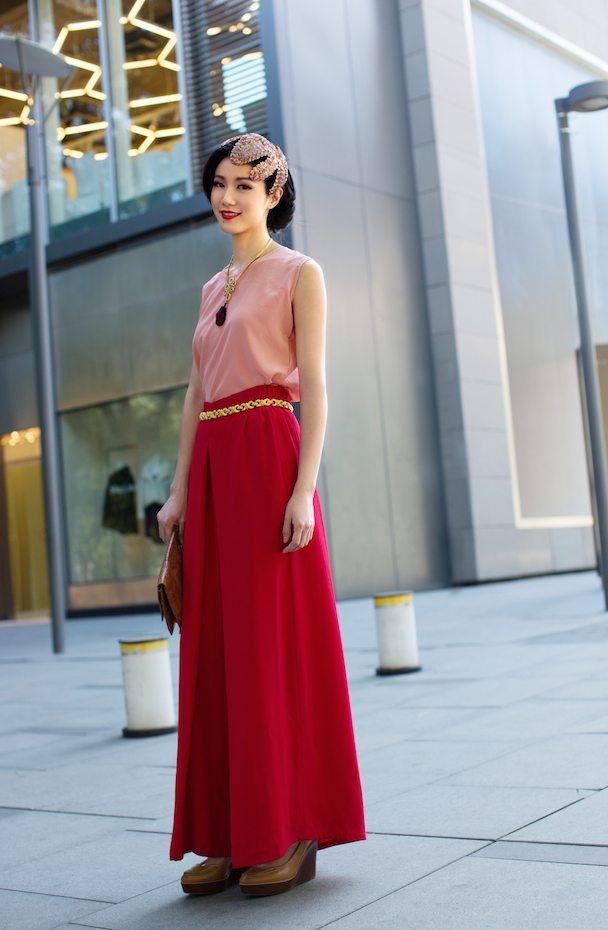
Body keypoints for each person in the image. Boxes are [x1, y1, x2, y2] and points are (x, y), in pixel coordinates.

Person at [157, 132, 366, 898]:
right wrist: (179, 492)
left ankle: (289, 827)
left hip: (269, 455)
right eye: (221, 181)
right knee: (215, 653)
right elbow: (193, 392)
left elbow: (313, 383)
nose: (229, 194)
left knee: (271, 649)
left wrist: (303, 489)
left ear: (275, 194)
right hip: (213, 466)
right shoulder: (212, 287)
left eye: (247, 184)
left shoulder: (298, 273)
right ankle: (226, 833)